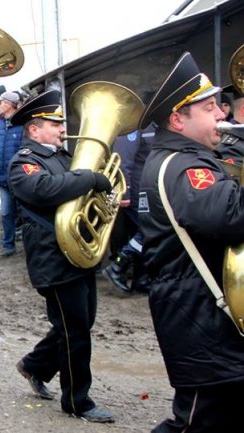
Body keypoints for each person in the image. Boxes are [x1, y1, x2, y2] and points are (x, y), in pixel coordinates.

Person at [138, 52, 244, 433]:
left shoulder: (187, 158)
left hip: (200, 312)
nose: (222, 114)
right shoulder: (185, 166)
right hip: (201, 317)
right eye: (210, 107)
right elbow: (231, 217)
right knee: (197, 423)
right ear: (177, 118)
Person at [8, 90, 115, 423]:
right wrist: (89, 179)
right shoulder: (24, 161)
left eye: (59, 123)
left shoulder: (62, 156)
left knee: (80, 323)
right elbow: (44, 189)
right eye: (53, 124)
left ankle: (34, 365)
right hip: (52, 258)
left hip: (77, 253)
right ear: (34, 129)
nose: (60, 128)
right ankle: (77, 401)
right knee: (74, 331)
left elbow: (74, 192)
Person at [102, 127, 153, 294]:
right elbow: (123, 161)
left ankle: (141, 279)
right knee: (148, 231)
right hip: (137, 191)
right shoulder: (135, 127)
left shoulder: (154, 125)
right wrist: (125, 192)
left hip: (148, 189)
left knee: (144, 232)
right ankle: (118, 264)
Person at [0, 90, 23, 257]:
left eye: (1, 103)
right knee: (6, 213)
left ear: (9, 104)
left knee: (26, 213)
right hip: (2, 178)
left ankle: (31, 246)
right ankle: (8, 246)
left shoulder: (23, 125)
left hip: (20, 180)